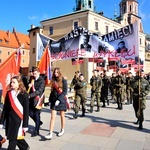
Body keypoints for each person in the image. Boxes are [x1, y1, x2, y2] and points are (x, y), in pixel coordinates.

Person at [0, 75, 29, 150]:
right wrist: (1, 122)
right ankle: (25, 147)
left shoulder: (24, 94)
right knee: (16, 138)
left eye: (14, 82)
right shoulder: (9, 93)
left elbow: (26, 111)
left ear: (19, 83)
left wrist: (25, 125)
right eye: (11, 82)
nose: (11, 84)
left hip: (19, 121)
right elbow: (5, 109)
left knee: (12, 141)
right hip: (10, 121)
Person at [45, 67, 68, 140]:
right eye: (55, 72)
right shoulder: (53, 80)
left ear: (60, 73)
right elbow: (52, 91)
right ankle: (50, 133)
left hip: (61, 100)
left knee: (62, 116)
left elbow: (65, 91)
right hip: (54, 100)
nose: (55, 73)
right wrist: (49, 100)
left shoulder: (63, 80)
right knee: (52, 117)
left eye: (57, 72)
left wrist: (59, 99)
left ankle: (62, 129)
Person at [28, 67, 45, 137]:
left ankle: (36, 130)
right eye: (33, 73)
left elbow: (39, 91)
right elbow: (29, 88)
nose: (34, 75)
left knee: (37, 114)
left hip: (38, 100)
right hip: (32, 100)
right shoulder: (32, 79)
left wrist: (30, 95)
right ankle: (39, 122)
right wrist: (29, 85)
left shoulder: (42, 80)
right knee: (29, 113)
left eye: (35, 73)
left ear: (38, 73)